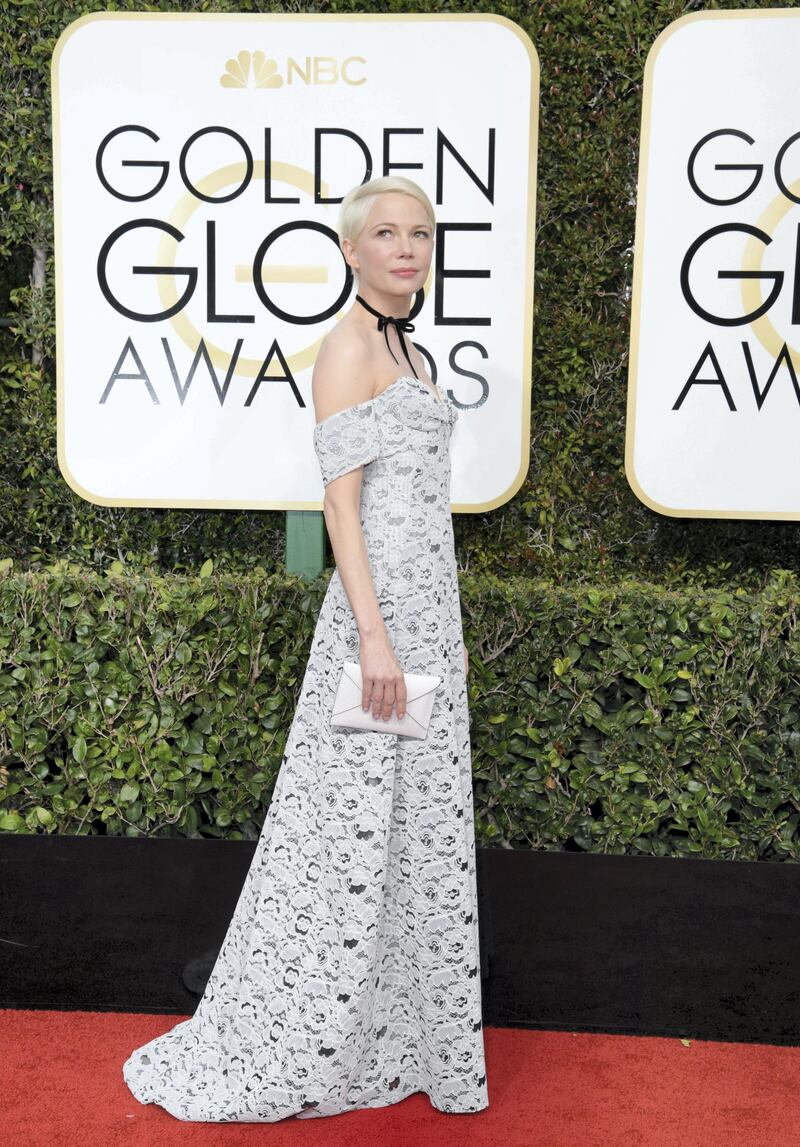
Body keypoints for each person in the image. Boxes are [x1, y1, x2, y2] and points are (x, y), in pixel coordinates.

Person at [122, 175, 489, 1122]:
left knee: (415, 825)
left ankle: (401, 1030)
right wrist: (373, 637)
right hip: (380, 628)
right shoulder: (345, 350)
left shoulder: (413, 348)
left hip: (426, 616)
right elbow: (342, 504)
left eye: (420, 233)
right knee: (349, 828)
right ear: (352, 251)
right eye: (386, 234)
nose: (406, 248)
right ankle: (306, 1023)